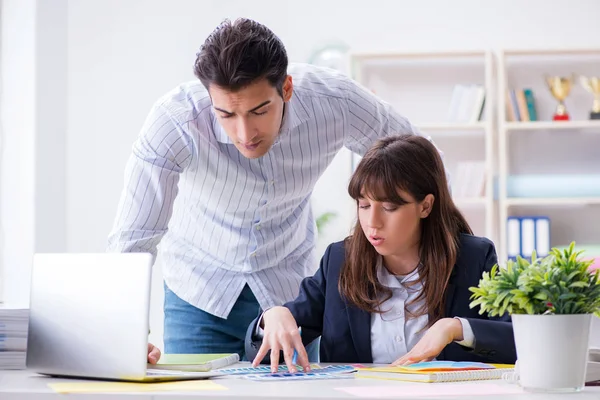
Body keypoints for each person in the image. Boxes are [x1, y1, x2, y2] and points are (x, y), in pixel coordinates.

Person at [107, 17, 429, 364]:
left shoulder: (334, 101)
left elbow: (421, 160)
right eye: (226, 114)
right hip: (199, 292)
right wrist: (126, 332)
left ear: (286, 88)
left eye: (259, 110)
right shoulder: (176, 120)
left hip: (291, 295)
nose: (245, 133)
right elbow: (134, 238)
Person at [246, 134, 516, 373]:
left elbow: (521, 341)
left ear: (425, 206)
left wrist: (454, 328)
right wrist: (272, 318)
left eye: (389, 207)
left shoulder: (473, 258)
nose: (372, 222)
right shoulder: (340, 261)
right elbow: (271, 355)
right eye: (364, 205)